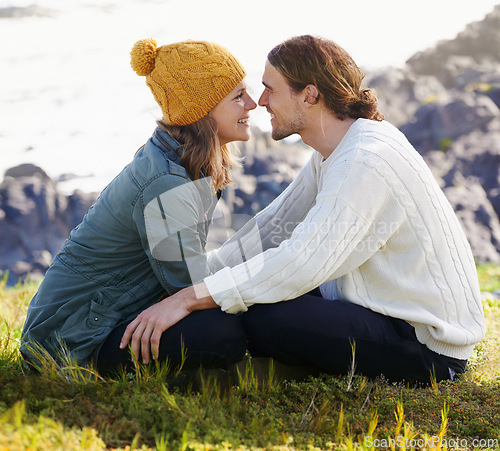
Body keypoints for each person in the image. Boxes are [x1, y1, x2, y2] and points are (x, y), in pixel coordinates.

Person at [120, 35, 486, 384]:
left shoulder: (365, 162)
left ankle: (279, 371)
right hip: (380, 308)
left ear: (309, 94)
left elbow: (301, 260)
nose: (260, 101)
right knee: (254, 291)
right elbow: (274, 226)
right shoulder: (339, 147)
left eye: (270, 89)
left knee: (263, 314)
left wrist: (189, 299)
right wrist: (197, 281)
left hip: (425, 344)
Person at [20, 38, 257, 374]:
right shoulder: (166, 182)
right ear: (201, 111)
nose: (253, 104)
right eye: (238, 97)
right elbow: (189, 285)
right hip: (68, 341)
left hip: (102, 318)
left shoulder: (182, 159)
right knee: (222, 335)